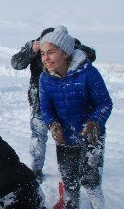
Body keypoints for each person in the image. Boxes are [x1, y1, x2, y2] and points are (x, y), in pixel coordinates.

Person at [38, 25, 112, 209]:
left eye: (51, 52)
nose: (46, 58)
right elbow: (46, 107)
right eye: (42, 53)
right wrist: (53, 124)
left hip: (91, 135)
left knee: (89, 176)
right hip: (65, 139)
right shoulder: (45, 78)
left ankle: (94, 185)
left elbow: (105, 103)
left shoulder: (88, 72)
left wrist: (95, 123)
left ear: (65, 53)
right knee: (70, 185)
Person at [11, 28, 96, 182]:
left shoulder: (70, 46)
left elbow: (91, 54)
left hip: (67, 103)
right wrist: (31, 50)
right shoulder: (35, 46)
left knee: (71, 137)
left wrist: (72, 48)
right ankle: (36, 169)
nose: (47, 55)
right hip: (40, 104)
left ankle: (75, 171)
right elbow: (16, 63)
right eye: (44, 49)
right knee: (38, 136)